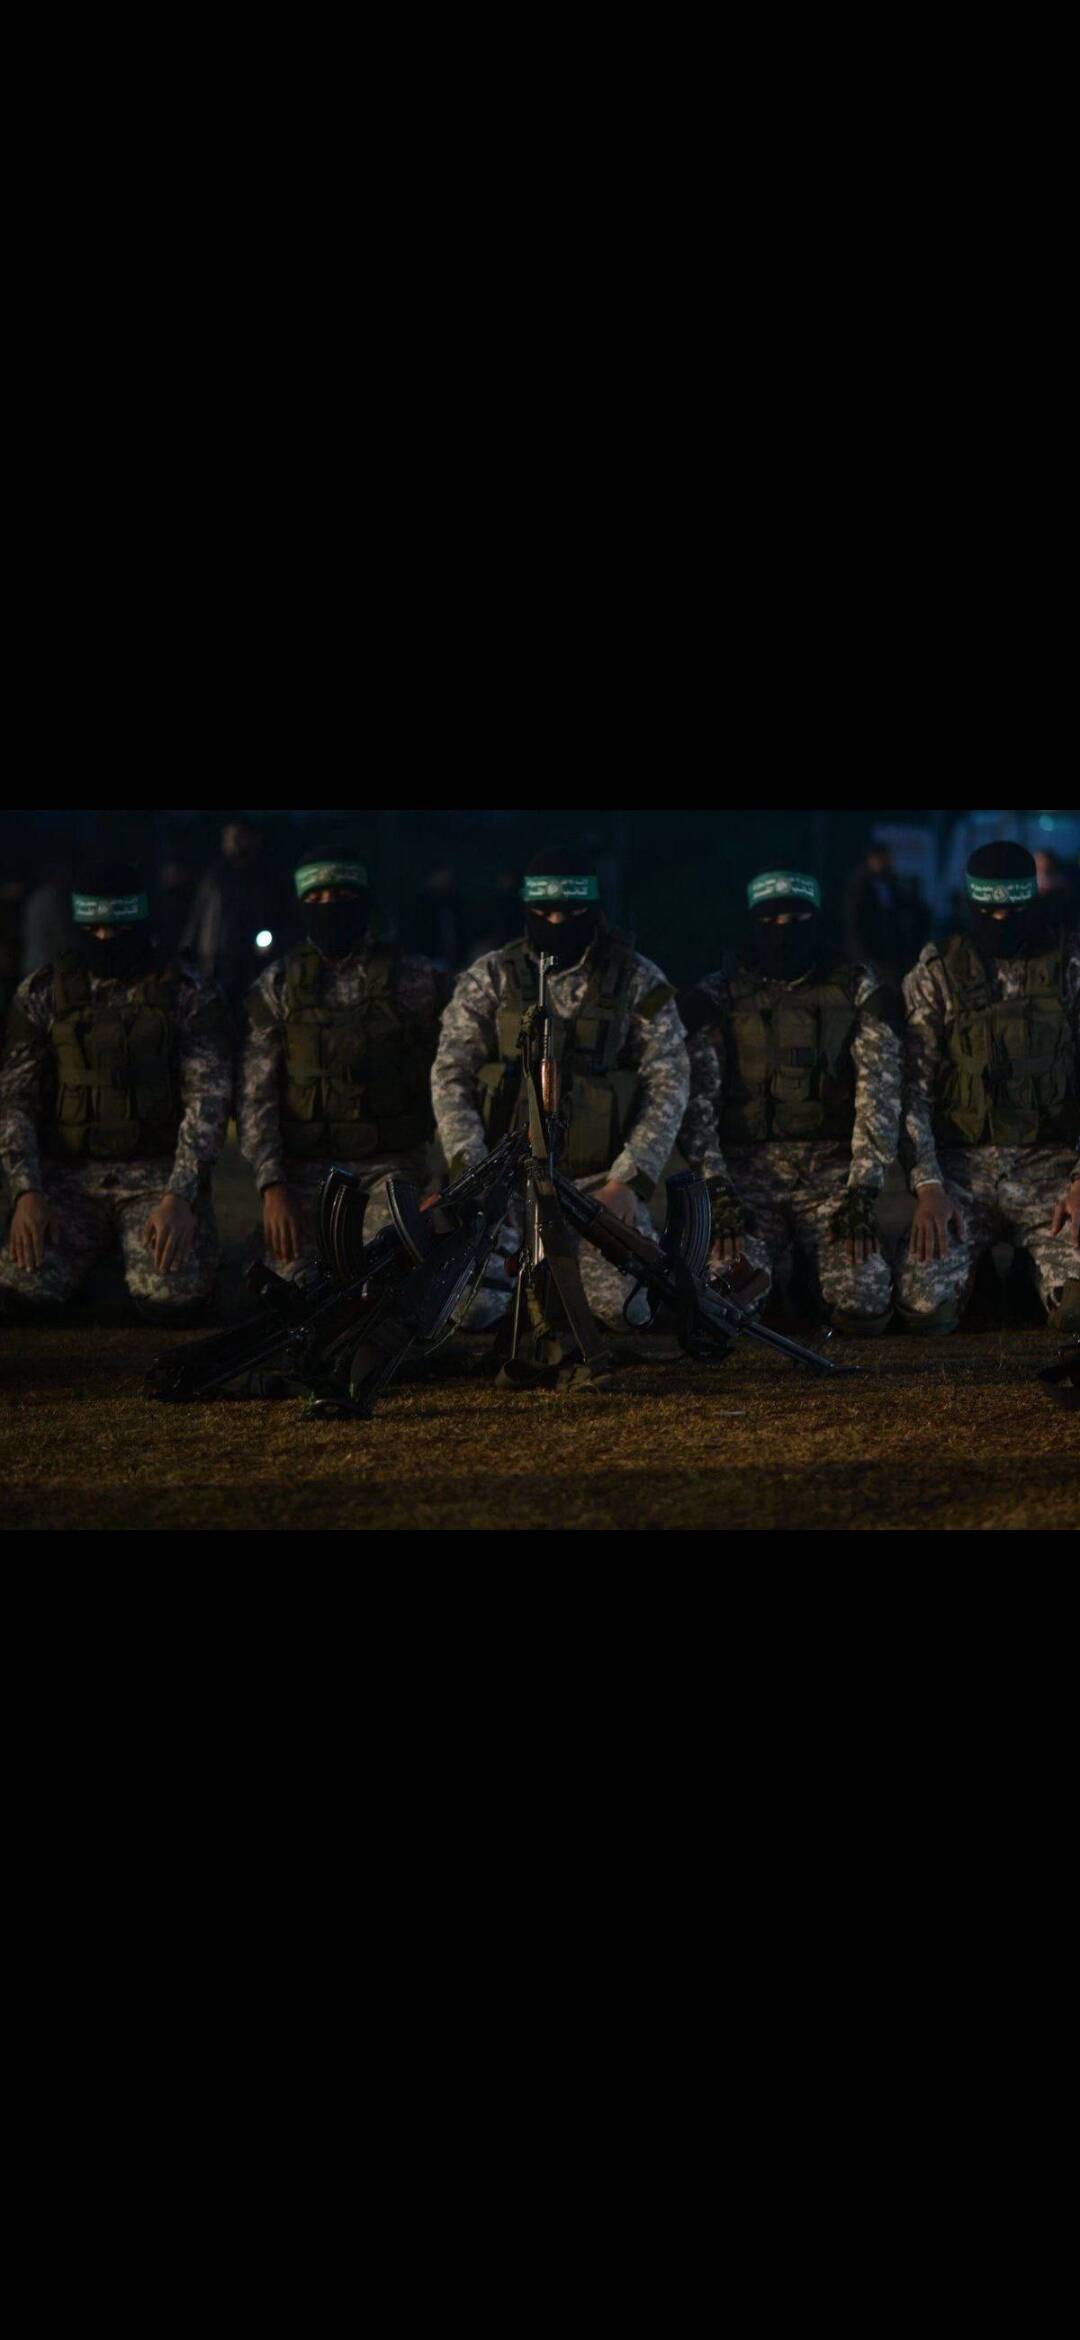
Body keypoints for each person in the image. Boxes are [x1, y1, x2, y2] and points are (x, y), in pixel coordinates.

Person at [430, 844, 689, 1333]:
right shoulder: (491, 976)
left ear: (594, 910)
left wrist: (629, 1181)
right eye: (544, 913)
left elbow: (669, 1080)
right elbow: (450, 1073)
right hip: (504, 1183)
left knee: (628, 1310)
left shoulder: (636, 978)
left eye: (571, 914)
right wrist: (471, 1171)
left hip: (596, 1186)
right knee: (472, 1309)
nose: (556, 923)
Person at [0, 859, 232, 1320]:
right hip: (68, 1180)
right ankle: (100, 1265)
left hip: (156, 1179)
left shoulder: (186, 993)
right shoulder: (43, 993)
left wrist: (181, 1197)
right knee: (25, 1289)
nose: (105, 939)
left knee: (175, 1297)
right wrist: (26, 1194)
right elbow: (16, 1101)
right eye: (94, 929)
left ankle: (122, 1261)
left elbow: (207, 1100)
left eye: (119, 929)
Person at [676, 868, 902, 1334]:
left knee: (864, 1301)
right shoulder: (719, 995)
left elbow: (878, 1095)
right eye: (771, 922)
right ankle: (777, 1284)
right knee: (721, 1298)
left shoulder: (854, 988)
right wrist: (717, 1190)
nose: (784, 933)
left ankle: (813, 1278)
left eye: (797, 921)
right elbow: (698, 1108)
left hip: (831, 1177)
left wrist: (862, 1191)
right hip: (746, 1182)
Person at [239, 843, 451, 1282]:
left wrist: (443, 1175)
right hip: (303, 1174)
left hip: (390, 1167)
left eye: (340, 895)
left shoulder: (414, 979)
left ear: (363, 899)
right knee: (299, 1290)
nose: (328, 906)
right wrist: (272, 1187)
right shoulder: (277, 986)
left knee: (391, 1275)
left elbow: (453, 1072)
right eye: (315, 898)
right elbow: (256, 1096)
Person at [895, 840, 1080, 1335]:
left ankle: (1033, 1275)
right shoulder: (938, 971)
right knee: (924, 1309)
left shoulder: (1069, 965)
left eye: (1013, 912)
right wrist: (928, 1187)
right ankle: (976, 1281)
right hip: (961, 1176)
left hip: (1050, 1169)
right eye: (988, 912)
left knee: (1078, 1308)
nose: (1001, 921)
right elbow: (913, 1090)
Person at [182, 818, 288, 1014]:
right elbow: (199, 915)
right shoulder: (214, 877)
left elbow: (279, 914)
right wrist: (188, 948)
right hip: (217, 961)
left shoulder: (266, 876)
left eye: (240, 837)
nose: (235, 843)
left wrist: (270, 946)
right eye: (230, 838)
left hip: (252, 959)